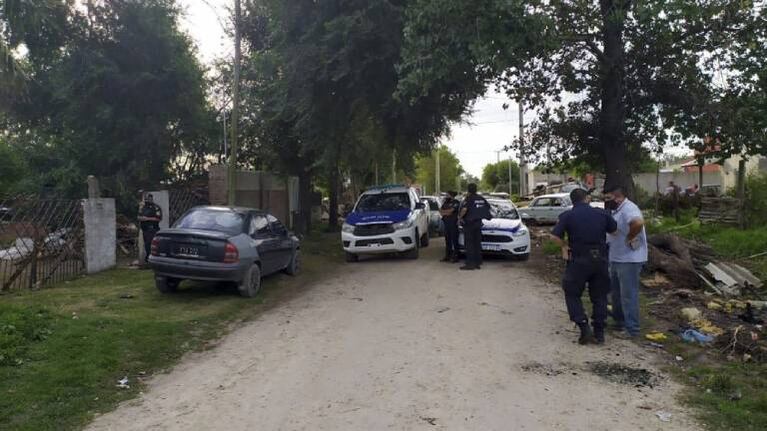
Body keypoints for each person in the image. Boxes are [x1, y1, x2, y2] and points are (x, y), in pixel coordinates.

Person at [550, 189, 618, 345]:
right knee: (600, 296)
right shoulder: (601, 213)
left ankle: (583, 326)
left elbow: (554, 236)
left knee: (572, 293)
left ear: (572, 201)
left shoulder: (568, 215)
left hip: (579, 259)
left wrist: (565, 246)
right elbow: (614, 231)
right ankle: (599, 333)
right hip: (600, 259)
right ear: (587, 198)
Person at [604, 185, 648, 338]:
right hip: (617, 257)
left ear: (617, 197)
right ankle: (620, 322)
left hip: (629, 259)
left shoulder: (629, 208)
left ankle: (632, 329)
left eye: (609, 198)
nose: (607, 201)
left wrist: (630, 237)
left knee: (628, 295)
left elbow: (637, 223)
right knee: (616, 294)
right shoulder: (618, 210)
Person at [458, 183, 491, 270]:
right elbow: (488, 207)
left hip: (469, 224)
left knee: (469, 244)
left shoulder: (469, 199)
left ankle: (470, 264)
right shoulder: (481, 198)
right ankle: (478, 262)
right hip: (478, 223)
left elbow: (464, 209)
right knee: (477, 243)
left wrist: (459, 218)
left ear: (468, 190)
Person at [138, 192, 163, 264]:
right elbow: (139, 217)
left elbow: (158, 219)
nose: (147, 200)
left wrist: (147, 218)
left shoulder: (156, 207)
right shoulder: (142, 207)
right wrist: (142, 218)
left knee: (151, 244)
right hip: (145, 229)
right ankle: (148, 259)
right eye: (146, 199)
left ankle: (151, 259)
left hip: (153, 228)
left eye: (149, 198)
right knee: (147, 245)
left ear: (152, 199)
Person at [439, 191, 461, 262]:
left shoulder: (456, 202)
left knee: (454, 241)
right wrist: (446, 213)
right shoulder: (445, 202)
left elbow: (451, 211)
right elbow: (440, 211)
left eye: (447, 195)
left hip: (453, 224)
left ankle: (456, 256)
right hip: (446, 224)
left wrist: (445, 212)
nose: (446, 196)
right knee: (447, 240)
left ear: (451, 195)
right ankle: (447, 256)